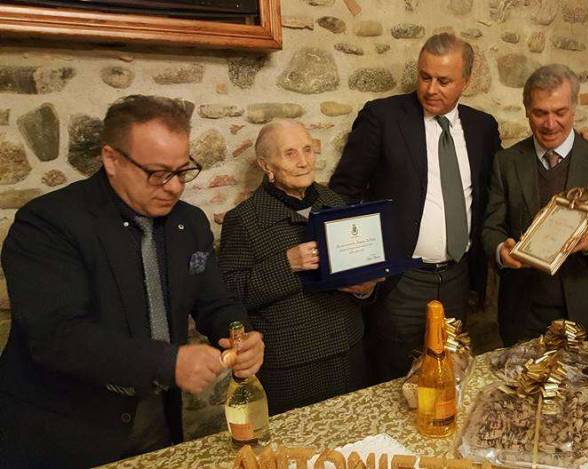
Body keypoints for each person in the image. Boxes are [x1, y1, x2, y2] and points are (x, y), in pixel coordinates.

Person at [0, 95, 264, 468]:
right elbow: (57, 335)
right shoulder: (47, 224)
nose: (174, 187)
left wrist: (240, 333)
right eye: (158, 173)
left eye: (183, 170)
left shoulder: (189, 223)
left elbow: (215, 301)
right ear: (112, 159)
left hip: (155, 421)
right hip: (64, 432)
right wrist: (168, 362)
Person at [329, 33, 502, 382]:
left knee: (447, 374)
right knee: (392, 377)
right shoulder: (383, 117)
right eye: (425, 77)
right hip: (400, 281)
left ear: (466, 81)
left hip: (458, 277)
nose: (431, 89)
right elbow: (343, 191)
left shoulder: (483, 128)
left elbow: (499, 186)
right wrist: (354, 263)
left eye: (444, 80)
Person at [218, 120, 379, 415]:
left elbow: (357, 266)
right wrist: (286, 264)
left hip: (349, 350)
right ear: (266, 165)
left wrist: (364, 290)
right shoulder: (244, 220)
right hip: (292, 367)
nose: (304, 162)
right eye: (289, 154)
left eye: (307, 150)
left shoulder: (335, 202)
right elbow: (229, 295)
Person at [482, 64, 588, 346]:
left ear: (574, 109)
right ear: (527, 111)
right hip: (523, 315)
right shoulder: (505, 162)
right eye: (540, 113)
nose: (550, 123)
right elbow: (491, 227)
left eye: (560, 112)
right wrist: (500, 251)